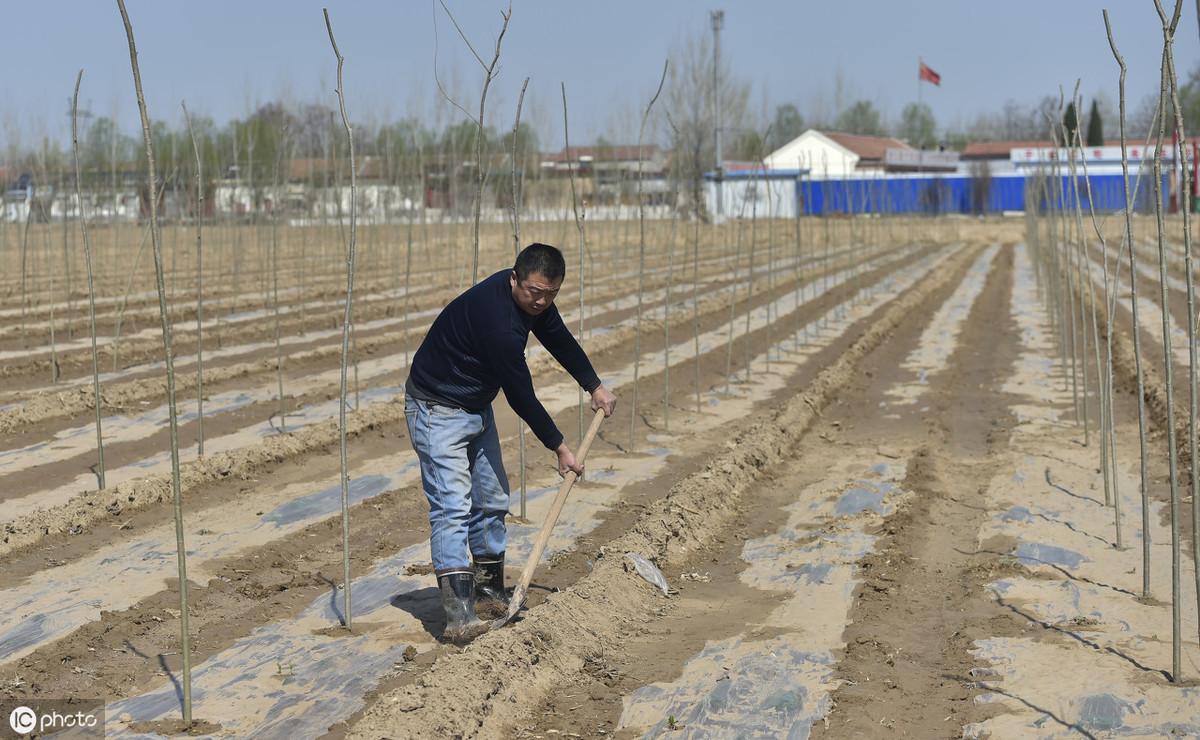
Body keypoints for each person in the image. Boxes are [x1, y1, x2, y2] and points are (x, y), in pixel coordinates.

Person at [404, 242, 617, 643]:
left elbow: (560, 339)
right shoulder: (497, 319)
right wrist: (559, 447)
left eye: (550, 294)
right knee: (453, 506)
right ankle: (459, 615)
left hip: (474, 405)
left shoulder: (535, 303)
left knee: (491, 498)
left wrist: (595, 385)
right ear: (514, 278)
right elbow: (520, 393)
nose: (540, 302)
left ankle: (486, 592)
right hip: (435, 409)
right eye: (534, 292)